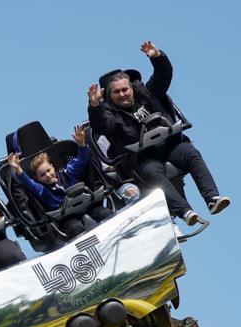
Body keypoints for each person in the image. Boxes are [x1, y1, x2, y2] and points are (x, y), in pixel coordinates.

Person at [87, 41, 230, 225]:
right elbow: (101, 126)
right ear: (110, 96)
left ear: (131, 88)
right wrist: (94, 105)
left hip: (169, 146)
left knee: (191, 153)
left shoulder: (147, 93)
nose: (122, 95)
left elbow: (162, 77)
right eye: (117, 92)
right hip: (143, 159)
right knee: (153, 174)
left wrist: (157, 57)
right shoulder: (110, 113)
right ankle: (185, 212)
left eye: (125, 90)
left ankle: (212, 199)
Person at [7, 124, 112, 239]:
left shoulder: (68, 172)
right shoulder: (42, 190)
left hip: (88, 207)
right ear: (37, 179)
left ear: (53, 167)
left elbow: (81, 160)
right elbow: (28, 183)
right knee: (74, 227)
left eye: (48, 170)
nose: (48, 175)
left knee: (103, 213)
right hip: (66, 219)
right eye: (42, 175)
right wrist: (18, 169)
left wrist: (81, 144)